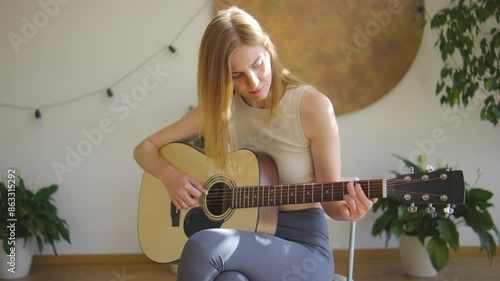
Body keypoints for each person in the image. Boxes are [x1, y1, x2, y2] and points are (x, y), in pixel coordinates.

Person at [133, 6, 377, 281]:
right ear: (220, 77)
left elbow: (331, 204)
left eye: (258, 64)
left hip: (303, 251)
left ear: (268, 47)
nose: (253, 81)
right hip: (246, 238)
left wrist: (349, 210)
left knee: (204, 244)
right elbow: (145, 148)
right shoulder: (219, 112)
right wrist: (170, 176)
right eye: (236, 75)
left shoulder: (312, 106)